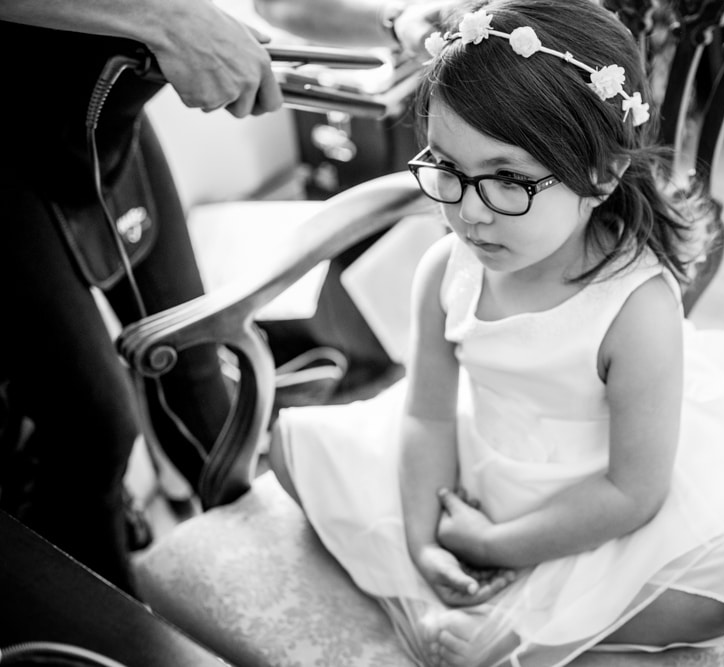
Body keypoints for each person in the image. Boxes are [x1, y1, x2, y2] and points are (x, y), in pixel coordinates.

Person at [262, 0, 724, 665]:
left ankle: (521, 629)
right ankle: (467, 600)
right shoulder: (446, 270)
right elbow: (426, 415)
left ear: (599, 176)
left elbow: (633, 491)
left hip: (597, 500)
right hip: (482, 455)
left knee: (714, 592)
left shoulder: (634, 307)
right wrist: (428, 538)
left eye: (509, 180)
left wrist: (494, 544)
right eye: (448, 169)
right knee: (295, 452)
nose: (470, 212)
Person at [0, 0, 451, 596]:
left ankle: (260, 587)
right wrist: (168, 21)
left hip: (106, 111)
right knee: (94, 430)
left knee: (203, 380)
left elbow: (277, 4)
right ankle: (107, 630)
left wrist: (394, 24)